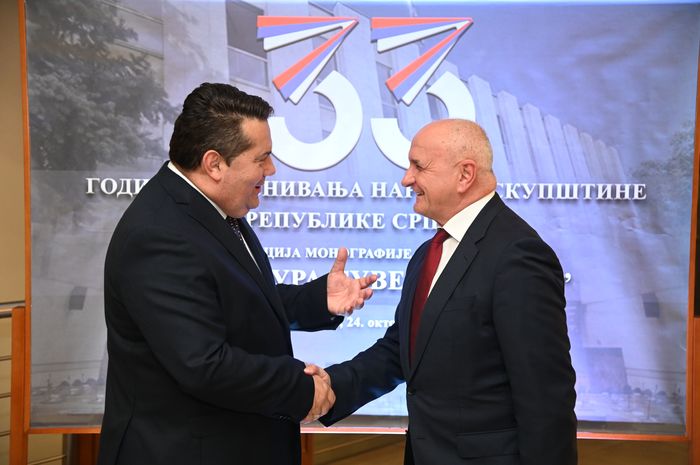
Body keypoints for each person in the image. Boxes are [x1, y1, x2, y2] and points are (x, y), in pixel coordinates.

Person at [98, 83, 376, 465]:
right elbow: (204, 364)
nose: (271, 169)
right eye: (262, 158)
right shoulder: (159, 234)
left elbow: (235, 302)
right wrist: (301, 389)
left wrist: (317, 300)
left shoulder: (208, 207)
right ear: (214, 164)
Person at [312, 119, 577, 465]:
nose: (406, 179)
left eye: (418, 166)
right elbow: (401, 351)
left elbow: (545, 395)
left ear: (465, 175)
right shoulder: (428, 253)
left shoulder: (518, 255)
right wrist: (331, 386)